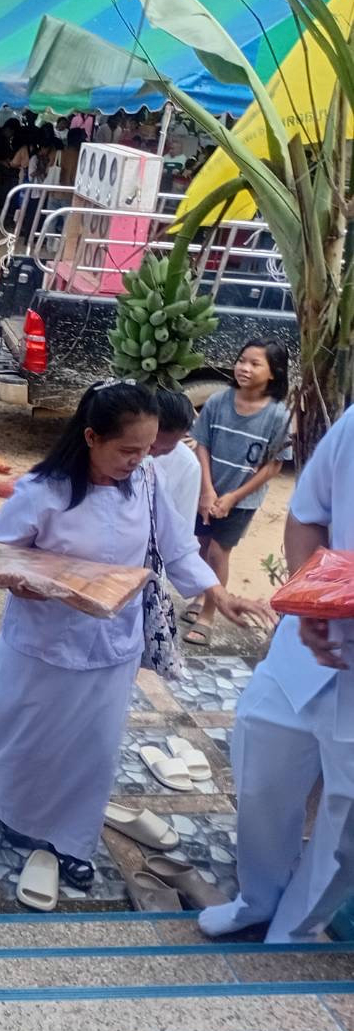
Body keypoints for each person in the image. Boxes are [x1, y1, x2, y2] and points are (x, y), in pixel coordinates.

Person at [0, 382, 267, 894]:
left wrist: (218, 594)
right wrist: (24, 584)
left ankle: (69, 839)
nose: (139, 460)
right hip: (42, 638)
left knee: (93, 745)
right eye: (128, 450)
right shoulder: (43, 490)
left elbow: (178, 547)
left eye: (146, 450)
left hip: (111, 639)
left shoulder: (145, 480)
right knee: (18, 724)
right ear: (91, 438)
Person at [199, 407, 352, 943]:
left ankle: (295, 932)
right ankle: (258, 898)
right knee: (261, 760)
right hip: (311, 641)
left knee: (346, 816)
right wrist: (312, 600)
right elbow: (308, 515)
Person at [186, 339, 293, 645]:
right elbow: (202, 443)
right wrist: (207, 490)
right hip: (208, 491)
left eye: (255, 363)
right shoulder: (219, 402)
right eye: (242, 360)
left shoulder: (277, 415)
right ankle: (202, 594)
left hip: (242, 500)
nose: (244, 368)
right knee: (201, 545)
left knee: (219, 552)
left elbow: (273, 466)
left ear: (273, 373)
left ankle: (208, 612)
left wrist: (233, 497)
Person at [149, 389, 200, 527]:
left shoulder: (187, 464)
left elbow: (184, 522)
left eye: (166, 449)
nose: (153, 454)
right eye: (151, 446)